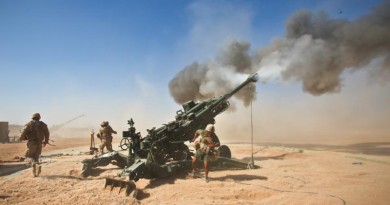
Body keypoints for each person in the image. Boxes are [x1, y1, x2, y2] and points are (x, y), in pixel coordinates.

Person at [20, 113, 50, 177]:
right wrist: (45, 141)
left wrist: (21, 138)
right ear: (39, 118)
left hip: (32, 143)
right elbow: (47, 133)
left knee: (28, 156)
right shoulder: (43, 124)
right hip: (39, 143)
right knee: (36, 157)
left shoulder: (29, 124)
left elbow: (23, 132)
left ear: (33, 117)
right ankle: (35, 173)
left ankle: (35, 166)